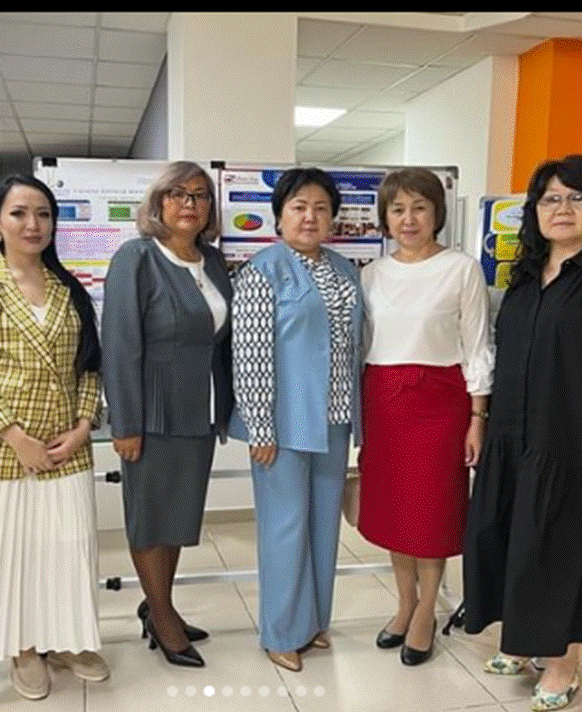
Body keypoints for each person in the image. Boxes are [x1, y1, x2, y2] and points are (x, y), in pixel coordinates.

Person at [462, 155, 582, 711]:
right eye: (550, 198)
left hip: (572, 442)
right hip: (511, 439)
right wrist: (482, 422)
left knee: (559, 551)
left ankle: (562, 663)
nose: (563, 209)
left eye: (578, 197)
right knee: (511, 542)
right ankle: (524, 641)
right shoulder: (524, 278)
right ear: (535, 210)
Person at [0, 174, 108, 700]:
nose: (32, 224)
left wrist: (82, 427)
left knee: (65, 550)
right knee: (8, 553)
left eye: (42, 213)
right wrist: (16, 437)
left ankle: (63, 638)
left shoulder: (68, 288)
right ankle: (23, 647)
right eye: (18, 213)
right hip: (0, 451)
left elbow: (89, 367)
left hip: (66, 447)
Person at [358, 168, 493, 666]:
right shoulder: (371, 274)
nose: (408, 219)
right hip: (383, 401)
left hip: (440, 403)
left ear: (437, 213)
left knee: (431, 512)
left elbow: (477, 346)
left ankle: (426, 612)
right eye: (397, 209)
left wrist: (477, 415)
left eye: (419, 207)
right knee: (395, 510)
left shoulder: (461, 269)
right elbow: (362, 346)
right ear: (385, 218)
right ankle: (404, 603)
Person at [229, 167, 362, 673]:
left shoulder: (345, 270)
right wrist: (260, 426)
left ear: (333, 218)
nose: (310, 217)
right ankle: (282, 631)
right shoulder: (262, 271)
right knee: (285, 528)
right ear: (279, 216)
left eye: (321, 208)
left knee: (324, 525)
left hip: (333, 419)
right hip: (282, 425)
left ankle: (313, 623)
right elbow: (250, 354)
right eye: (299, 207)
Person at [101, 161, 233, 669]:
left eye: (200, 195)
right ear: (158, 203)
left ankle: (160, 606)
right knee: (150, 521)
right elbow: (119, 344)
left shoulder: (213, 260)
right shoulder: (136, 258)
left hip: (198, 410)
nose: (189, 204)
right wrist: (125, 423)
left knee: (176, 518)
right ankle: (162, 618)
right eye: (177, 194)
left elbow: (219, 341)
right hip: (152, 414)